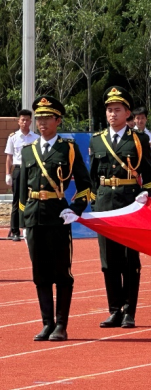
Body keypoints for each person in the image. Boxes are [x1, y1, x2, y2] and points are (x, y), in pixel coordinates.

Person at [19, 96, 92, 341]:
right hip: (34, 217)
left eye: (47, 118)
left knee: (61, 272)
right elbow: (21, 190)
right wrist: (22, 222)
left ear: (58, 120)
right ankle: (46, 323)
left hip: (58, 217)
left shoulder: (68, 149)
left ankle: (61, 324)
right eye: (38, 118)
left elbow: (85, 184)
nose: (41, 122)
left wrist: (76, 209)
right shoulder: (28, 151)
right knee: (40, 273)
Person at [89, 86, 151, 329]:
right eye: (109, 109)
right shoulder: (97, 140)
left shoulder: (139, 139)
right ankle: (114, 310)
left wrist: (145, 194)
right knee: (108, 261)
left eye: (117, 109)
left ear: (127, 113)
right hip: (105, 204)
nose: (112, 114)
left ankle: (129, 310)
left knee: (130, 260)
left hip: (130, 204)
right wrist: (93, 202)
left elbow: (150, 175)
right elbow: (92, 176)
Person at [6, 108, 38, 242]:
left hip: (32, 170)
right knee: (16, 201)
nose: (25, 122)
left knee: (31, 199)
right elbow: (9, 157)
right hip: (18, 170)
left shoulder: (36, 138)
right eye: (22, 120)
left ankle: (29, 227)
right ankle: (15, 230)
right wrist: (8, 174)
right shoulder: (13, 137)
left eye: (27, 120)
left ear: (31, 122)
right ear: (18, 121)